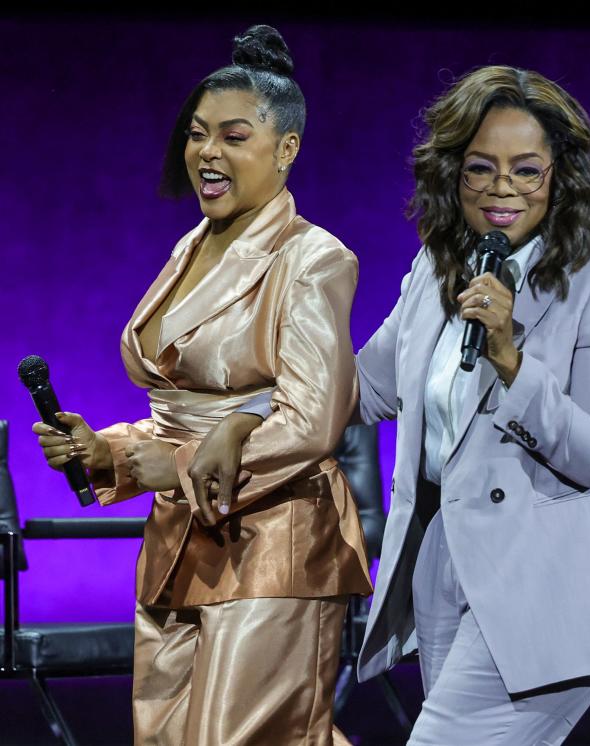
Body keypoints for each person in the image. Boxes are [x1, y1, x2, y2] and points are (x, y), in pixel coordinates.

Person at [213, 64, 590, 744]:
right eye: (481, 168)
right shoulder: (436, 269)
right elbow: (363, 390)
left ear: (560, 177)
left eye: (526, 170)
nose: (502, 189)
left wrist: (513, 360)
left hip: (547, 580)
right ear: (452, 175)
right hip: (444, 562)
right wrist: (247, 411)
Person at [31, 25, 370, 746]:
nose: (206, 154)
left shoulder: (312, 258)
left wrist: (178, 465)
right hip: (178, 543)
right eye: (196, 135)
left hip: (272, 545)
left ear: (287, 149)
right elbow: (182, 411)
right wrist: (110, 453)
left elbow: (312, 420)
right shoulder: (191, 247)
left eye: (233, 136)